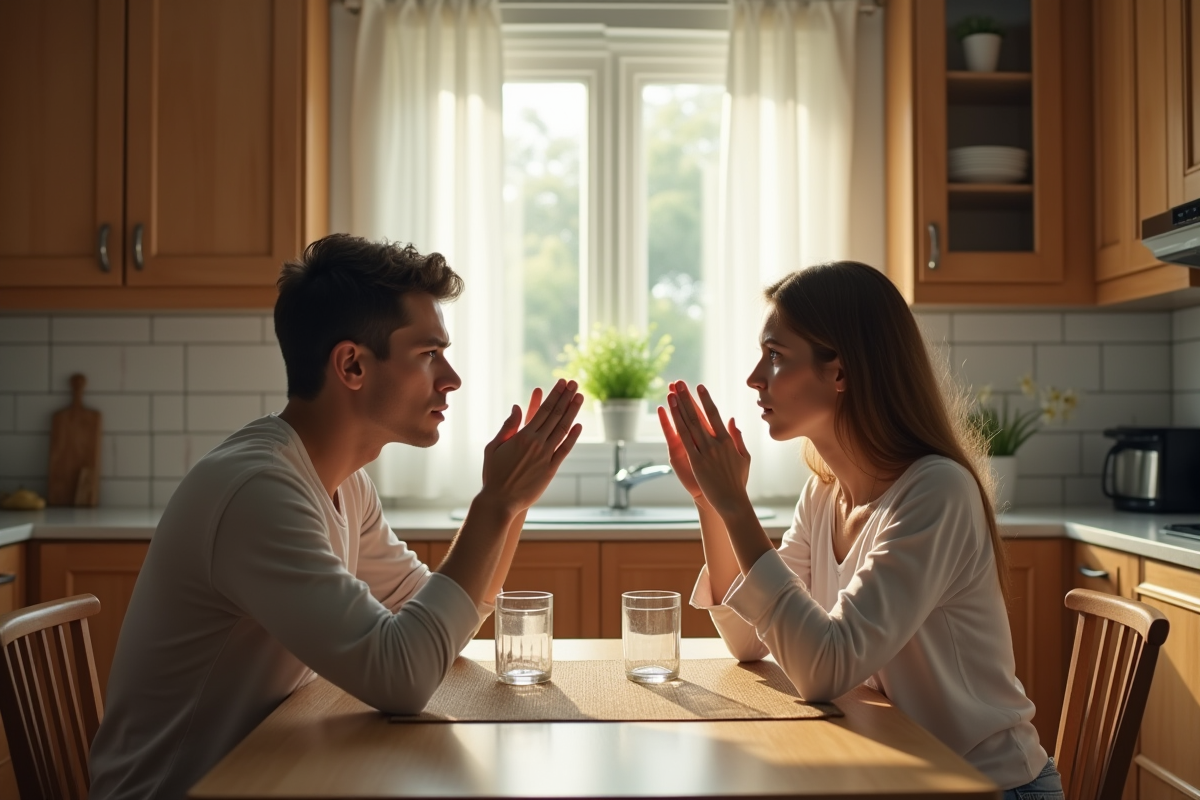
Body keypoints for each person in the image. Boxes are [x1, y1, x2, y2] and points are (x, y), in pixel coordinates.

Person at [88, 234, 584, 800]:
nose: (451, 379)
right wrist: (492, 505)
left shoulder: (343, 483)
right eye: (428, 355)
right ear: (351, 364)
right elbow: (403, 677)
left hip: (269, 773)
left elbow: (439, 630)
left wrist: (512, 505)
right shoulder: (259, 492)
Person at [657, 262, 1064, 800]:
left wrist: (738, 507)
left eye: (775, 356)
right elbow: (750, 640)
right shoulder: (825, 494)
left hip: (987, 785)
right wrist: (711, 501)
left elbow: (826, 666)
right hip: (899, 774)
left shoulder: (936, 492)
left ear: (840, 373)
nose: (756, 377)